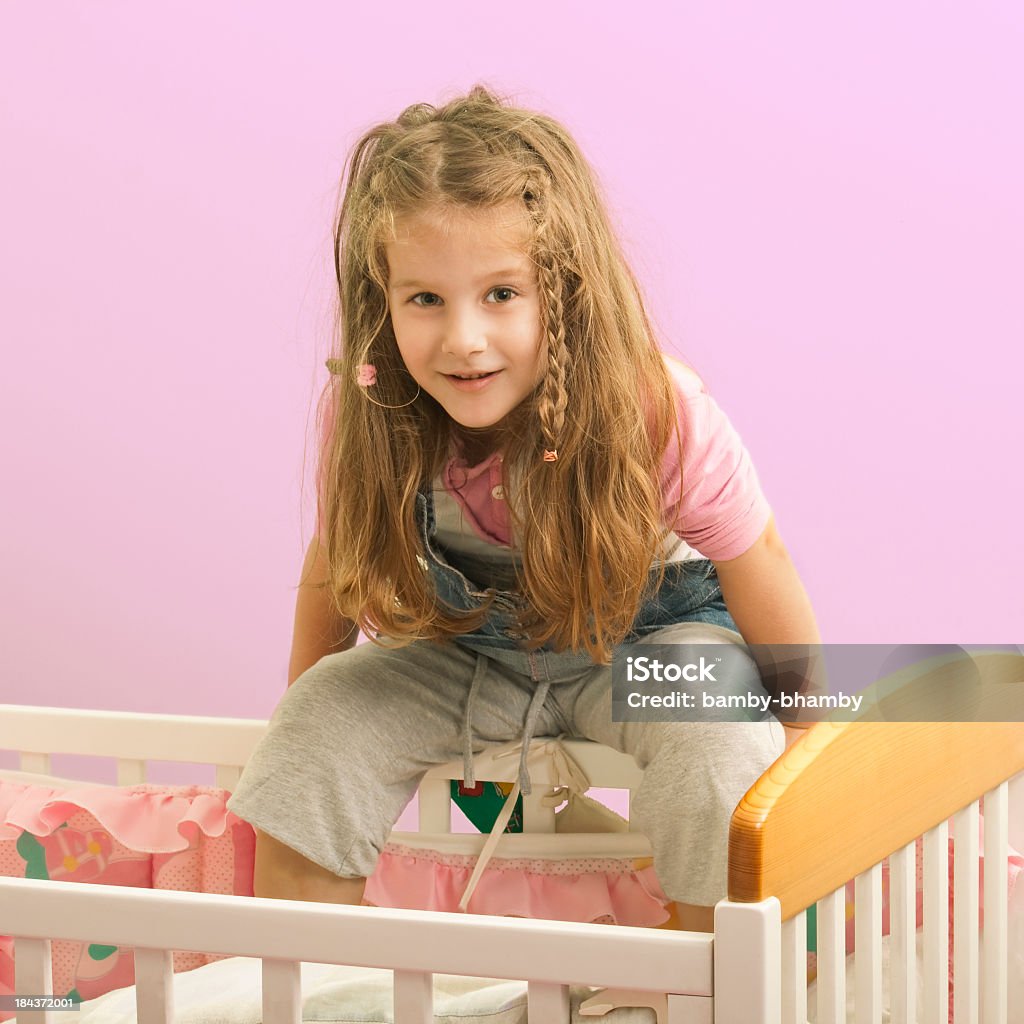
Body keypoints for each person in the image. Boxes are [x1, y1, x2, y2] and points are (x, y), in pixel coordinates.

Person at [225, 83, 820, 933]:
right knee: (322, 722)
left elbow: (758, 558)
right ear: (382, 299)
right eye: (424, 299)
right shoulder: (376, 408)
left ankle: (708, 975)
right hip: (473, 653)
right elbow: (336, 559)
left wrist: (806, 738)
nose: (463, 339)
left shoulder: (654, 409)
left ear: (564, 292)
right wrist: (305, 700)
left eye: (501, 294)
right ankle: (303, 973)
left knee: (718, 722)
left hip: (644, 641)